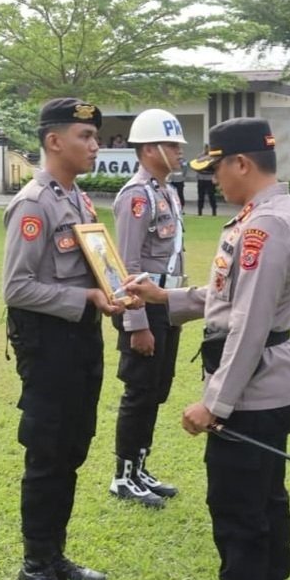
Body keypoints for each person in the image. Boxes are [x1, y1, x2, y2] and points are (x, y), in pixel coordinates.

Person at [127, 117, 290, 580]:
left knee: (241, 516)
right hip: (265, 390)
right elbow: (231, 297)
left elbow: (249, 324)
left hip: (252, 397)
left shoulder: (266, 225)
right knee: (265, 505)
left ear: (242, 163)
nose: (213, 180)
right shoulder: (263, 214)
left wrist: (214, 403)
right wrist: (167, 297)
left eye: (217, 168)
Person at [2, 97, 134, 580]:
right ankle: (35, 565)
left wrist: (111, 290)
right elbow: (16, 287)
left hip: (81, 339)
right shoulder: (34, 203)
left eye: (96, 136)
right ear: (54, 140)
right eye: (86, 136)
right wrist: (85, 296)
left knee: (73, 448)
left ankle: (55, 555)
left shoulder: (76, 200)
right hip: (49, 346)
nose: (96, 145)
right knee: (47, 454)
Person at [108, 108, 187, 508]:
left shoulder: (167, 190)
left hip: (167, 305)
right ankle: (122, 476)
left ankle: (139, 467)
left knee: (156, 390)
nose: (178, 152)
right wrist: (136, 323)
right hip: (144, 307)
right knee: (139, 392)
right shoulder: (137, 196)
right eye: (172, 145)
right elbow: (126, 266)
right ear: (150, 148)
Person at [197, 145, 219, 216]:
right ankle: (200, 212)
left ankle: (214, 211)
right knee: (201, 196)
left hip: (210, 179)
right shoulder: (200, 156)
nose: (207, 150)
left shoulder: (213, 157)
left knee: (211, 196)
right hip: (201, 178)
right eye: (206, 148)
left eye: (208, 149)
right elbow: (197, 162)